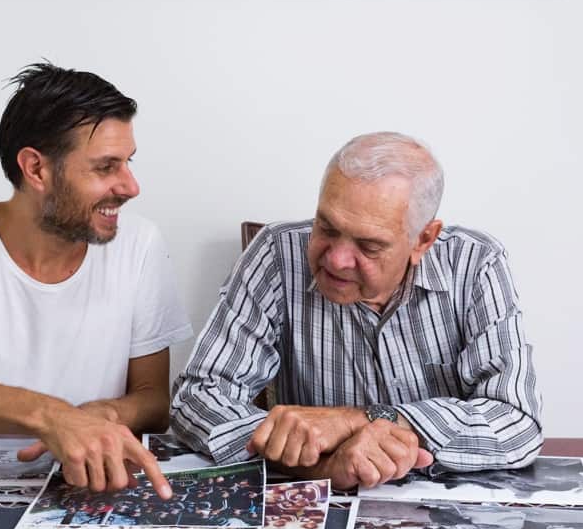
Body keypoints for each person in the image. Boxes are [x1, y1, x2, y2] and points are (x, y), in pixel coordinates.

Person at [170, 132, 542, 489]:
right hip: (318, 509)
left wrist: (355, 421)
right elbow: (199, 396)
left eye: (369, 245)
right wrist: (319, 465)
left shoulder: (475, 264)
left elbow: (516, 422)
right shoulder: (276, 254)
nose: (336, 259)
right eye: (327, 228)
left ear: (423, 239)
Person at [0, 62, 192, 498]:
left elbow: (153, 401)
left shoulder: (140, 243)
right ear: (36, 169)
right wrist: (53, 417)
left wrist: (96, 418)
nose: (130, 186)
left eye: (128, 163)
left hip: (87, 490)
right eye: (106, 167)